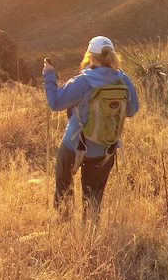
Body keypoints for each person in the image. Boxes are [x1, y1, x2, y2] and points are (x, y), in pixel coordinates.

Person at [42, 36, 140, 219]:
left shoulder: (83, 81)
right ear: (112, 56)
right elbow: (132, 110)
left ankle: (64, 230)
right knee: (93, 196)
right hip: (106, 149)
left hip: (74, 145)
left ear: (90, 56)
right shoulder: (123, 80)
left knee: (64, 187)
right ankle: (90, 234)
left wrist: (49, 75)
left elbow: (55, 103)